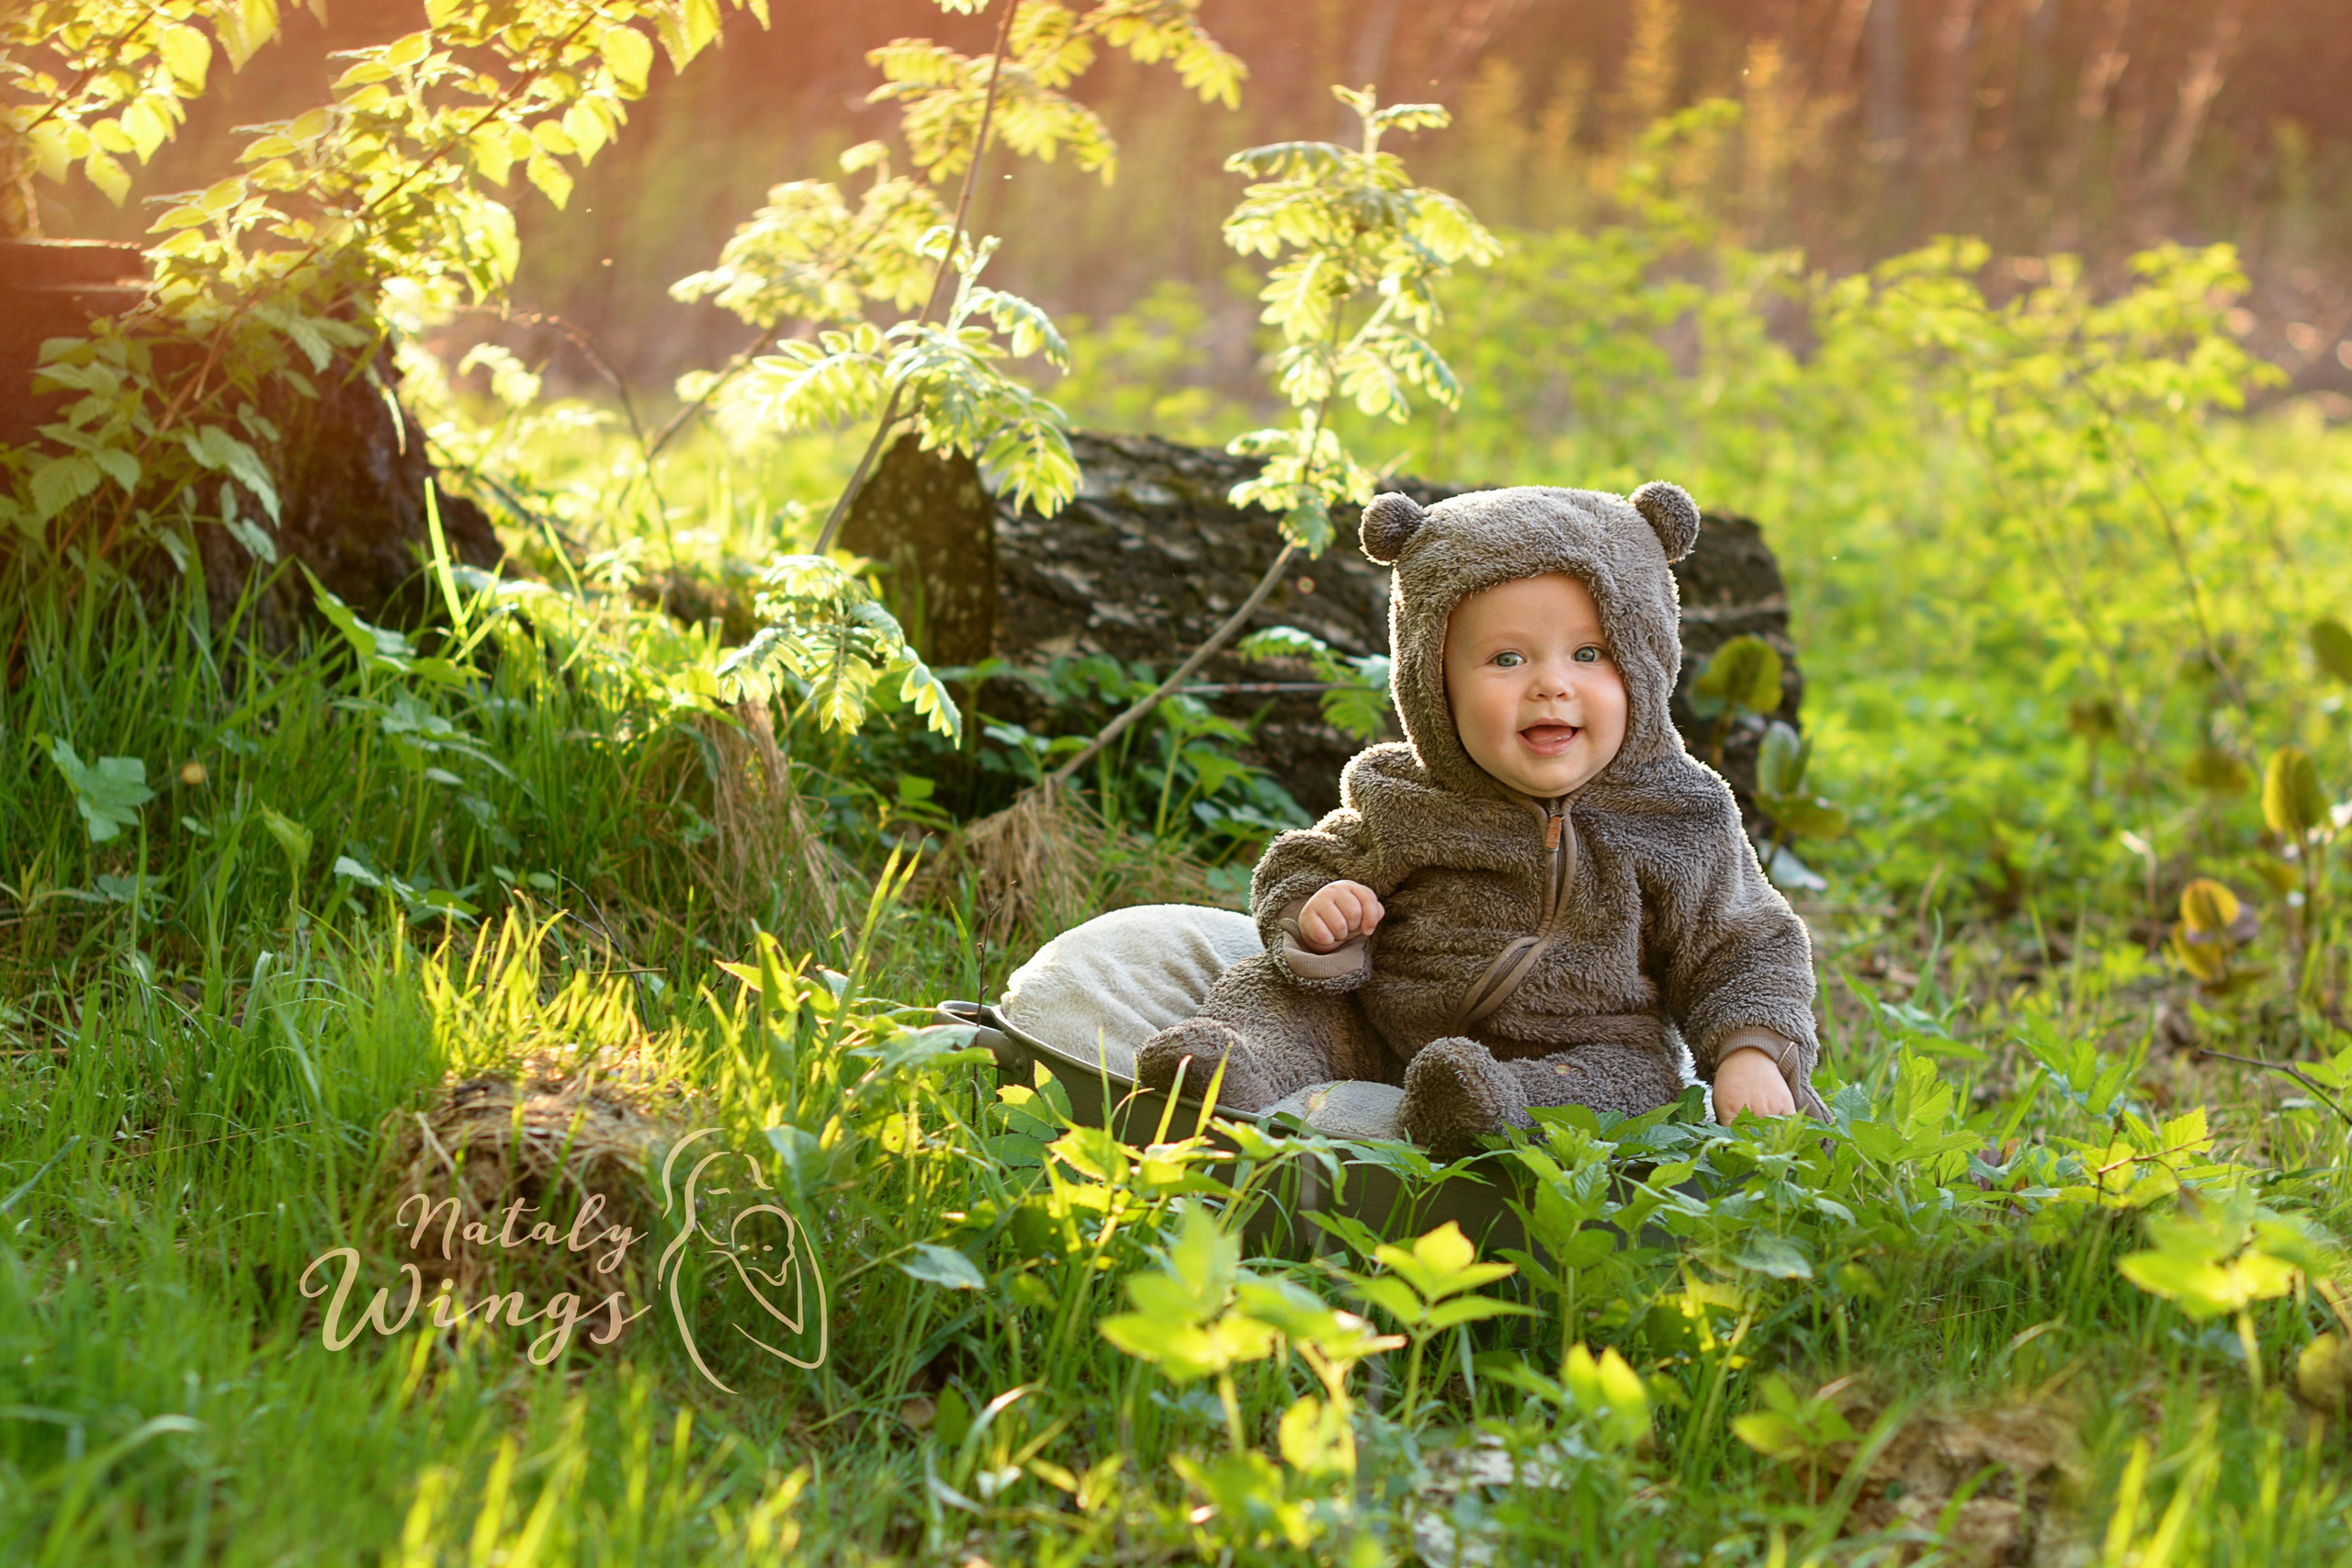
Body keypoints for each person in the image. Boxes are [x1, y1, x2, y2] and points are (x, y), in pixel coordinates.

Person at [1134, 482, 1826, 1159]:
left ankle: (1487, 1107)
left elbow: (1743, 944)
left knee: (1635, 1086)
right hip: (1382, 1022)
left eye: (1589, 654)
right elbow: (1305, 859)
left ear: (1645, 662)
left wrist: (1751, 1050)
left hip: (1578, 1047)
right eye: (1506, 658)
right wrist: (1318, 914)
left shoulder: (1679, 815)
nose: (1551, 684)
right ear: (1434, 682)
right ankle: (1232, 1065)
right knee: (1273, 989)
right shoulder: (1408, 794)